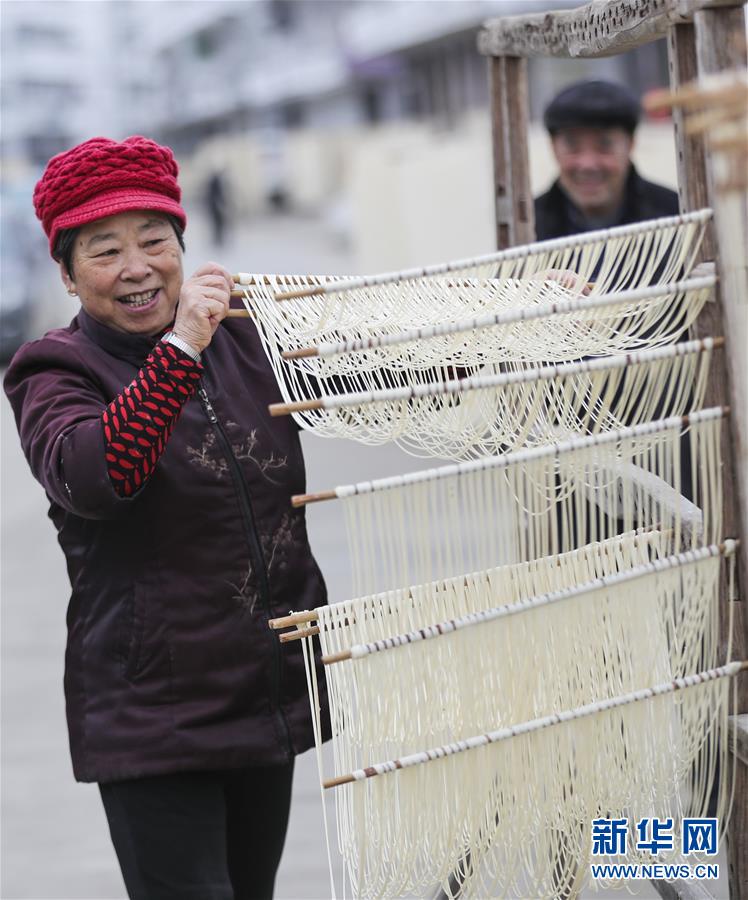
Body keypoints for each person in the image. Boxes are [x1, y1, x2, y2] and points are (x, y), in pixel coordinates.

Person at [4, 135, 329, 900]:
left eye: (155, 241)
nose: (138, 267)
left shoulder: (245, 336)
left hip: (260, 694)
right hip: (153, 715)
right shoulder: (55, 370)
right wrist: (181, 347)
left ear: (183, 244)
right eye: (105, 251)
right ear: (67, 274)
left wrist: (523, 317)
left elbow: (375, 359)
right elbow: (99, 475)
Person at [535, 79, 679, 240]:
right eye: (572, 146)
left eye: (604, 145)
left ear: (630, 144)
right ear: (553, 147)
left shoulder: (676, 217)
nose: (588, 164)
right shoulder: (526, 227)